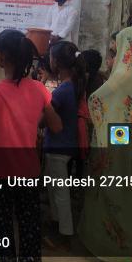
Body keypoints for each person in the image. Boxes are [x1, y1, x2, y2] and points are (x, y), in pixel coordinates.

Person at [0, 29, 62, 262]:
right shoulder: (39, 89)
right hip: (29, 171)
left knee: (1, 228)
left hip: (0, 173)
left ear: (2, 57)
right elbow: (56, 126)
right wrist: (31, 120)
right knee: (29, 226)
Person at [78, 25, 132, 262]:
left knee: (113, 190)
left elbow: (97, 99)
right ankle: (131, 244)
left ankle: (109, 245)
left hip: (120, 142)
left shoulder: (125, 76)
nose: (111, 57)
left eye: (115, 51)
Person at [44, 41, 88, 247]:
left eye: (51, 57)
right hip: (66, 145)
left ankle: (65, 234)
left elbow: (45, 118)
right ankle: (57, 223)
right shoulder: (74, 86)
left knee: (59, 193)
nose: (49, 60)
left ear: (57, 63)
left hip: (57, 147)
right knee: (55, 189)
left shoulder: (62, 91)